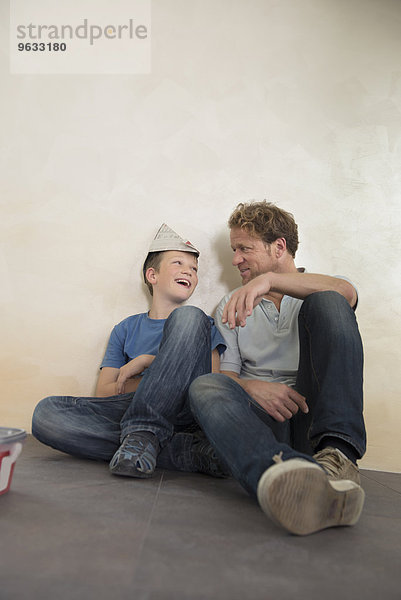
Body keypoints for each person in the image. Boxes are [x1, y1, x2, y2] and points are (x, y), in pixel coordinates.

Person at [189, 201, 367, 536]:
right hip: (262, 419)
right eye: (233, 249)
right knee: (204, 386)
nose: (235, 259)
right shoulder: (230, 304)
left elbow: (344, 292)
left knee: (329, 301)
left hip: (314, 415)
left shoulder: (323, 285)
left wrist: (269, 281)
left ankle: (339, 463)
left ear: (279, 247)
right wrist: (251, 387)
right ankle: (285, 475)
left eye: (244, 248)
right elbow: (225, 377)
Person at [32, 224, 227, 479]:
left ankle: (143, 434)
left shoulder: (201, 324)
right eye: (178, 262)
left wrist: (150, 363)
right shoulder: (125, 329)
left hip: (185, 412)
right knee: (46, 414)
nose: (188, 271)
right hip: (129, 409)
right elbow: (104, 392)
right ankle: (182, 452)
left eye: (194, 269)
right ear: (152, 275)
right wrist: (154, 384)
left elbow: (209, 388)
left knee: (189, 316)